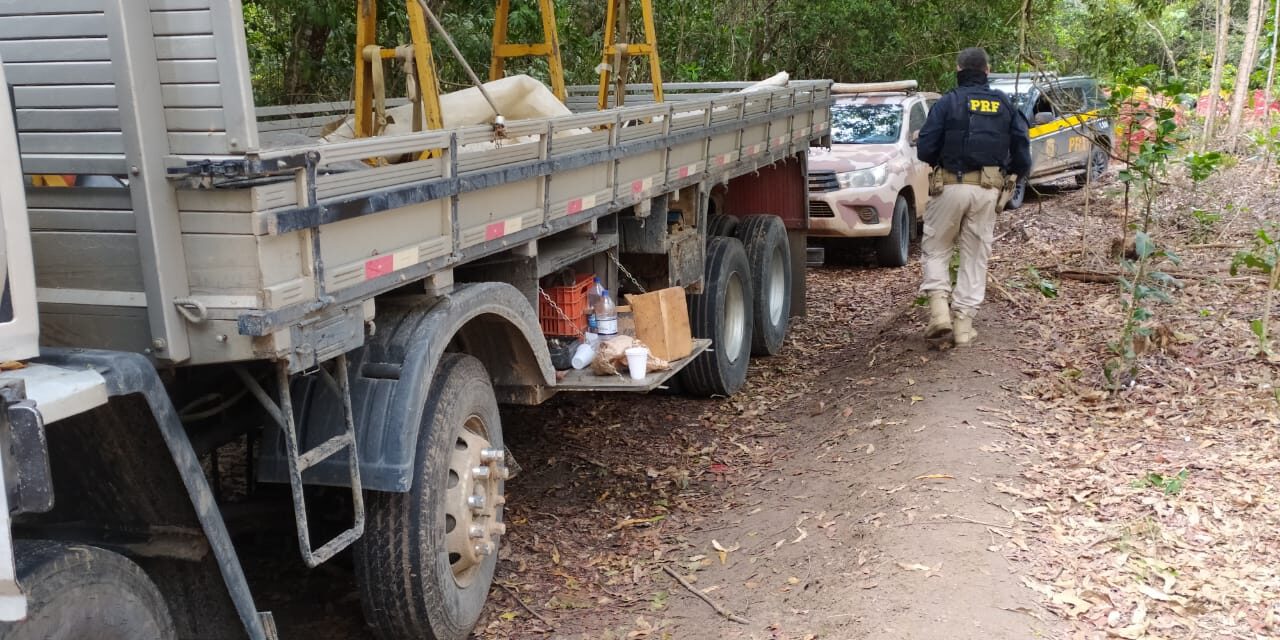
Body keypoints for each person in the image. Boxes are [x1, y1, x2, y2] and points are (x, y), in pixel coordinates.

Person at [915, 47, 1031, 347]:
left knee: (936, 249)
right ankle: (964, 328)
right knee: (975, 258)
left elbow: (925, 148)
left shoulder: (947, 103)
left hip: (950, 186)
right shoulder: (1004, 104)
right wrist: (1013, 176)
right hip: (988, 192)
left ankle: (940, 313)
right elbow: (1022, 150)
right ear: (987, 71)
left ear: (958, 69)